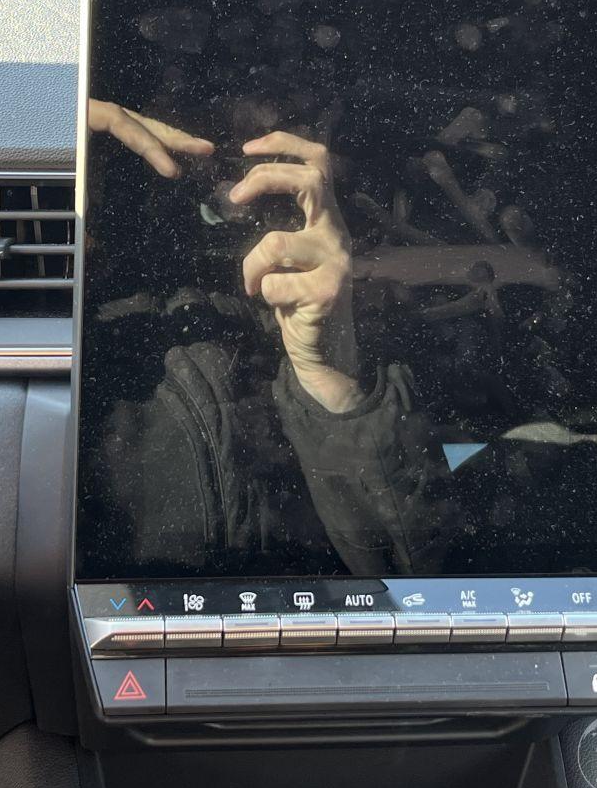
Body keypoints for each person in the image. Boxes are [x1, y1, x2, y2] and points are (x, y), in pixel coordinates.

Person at [86, 100, 459, 576]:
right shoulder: (102, 356)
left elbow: (420, 584)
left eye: (248, 166)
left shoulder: (327, 326)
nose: (229, 191)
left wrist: (329, 377)